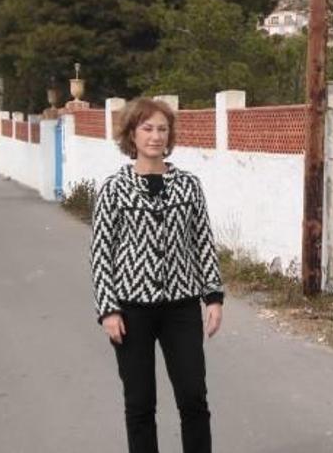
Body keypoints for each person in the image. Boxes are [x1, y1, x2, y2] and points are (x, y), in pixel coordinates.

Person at [90, 97, 224, 453]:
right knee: (139, 404)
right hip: (131, 311)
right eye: (147, 128)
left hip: (181, 309)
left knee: (193, 397)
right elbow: (101, 253)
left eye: (162, 129)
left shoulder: (189, 186)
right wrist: (109, 309)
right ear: (132, 135)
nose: (155, 136)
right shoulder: (113, 189)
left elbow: (202, 242)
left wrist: (213, 297)